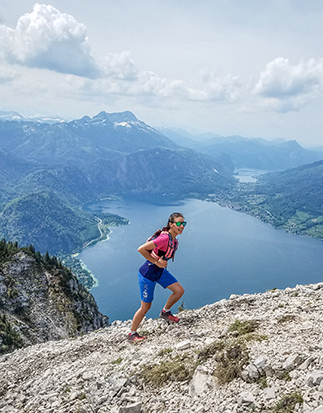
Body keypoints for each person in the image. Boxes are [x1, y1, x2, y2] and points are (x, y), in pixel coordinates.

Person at [128, 212, 186, 342]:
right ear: (171, 224)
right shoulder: (164, 239)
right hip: (148, 274)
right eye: (178, 223)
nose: (181, 226)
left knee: (179, 291)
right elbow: (141, 249)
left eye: (183, 223)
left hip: (160, 272)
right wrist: (156, 262)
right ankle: (132, 334)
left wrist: (159, 264)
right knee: (145, 307)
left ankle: (165, 312)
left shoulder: (173, 239)